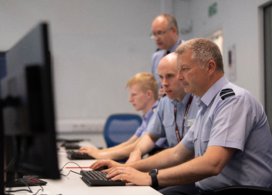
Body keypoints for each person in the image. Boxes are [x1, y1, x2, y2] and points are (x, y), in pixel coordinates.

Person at [90, 38, 272, 194]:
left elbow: (213, 163)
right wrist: (126, 167)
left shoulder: (232, 101)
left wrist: (150, 177)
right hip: (207, 189)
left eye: (184, 69)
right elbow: (177, 153)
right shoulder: (207, 105)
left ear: (209, 67)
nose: (179, 76)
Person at [126, 53, 199, 164]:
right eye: (161, 77)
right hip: (175, 172)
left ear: (183, 75)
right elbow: (150, 136)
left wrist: (137, 166)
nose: (164, 83)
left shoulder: (200, 102)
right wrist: (137, 152)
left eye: (170, 76)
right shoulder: (165, 102)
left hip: (197, 174)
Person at [78, 72, 168, 160]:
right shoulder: (147, 115)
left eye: (134, 95)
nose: (130, 99)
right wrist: (100, 152)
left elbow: (135, 148)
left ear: (148, 94)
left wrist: (99, 154)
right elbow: (129, 143)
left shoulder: (159, 113)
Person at [150, 14, 184, 98]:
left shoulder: (189, 52)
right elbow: (153, 87)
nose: (156, 38)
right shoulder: (156, 57)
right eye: (154, 34)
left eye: (160, 33)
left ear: (174, 31)